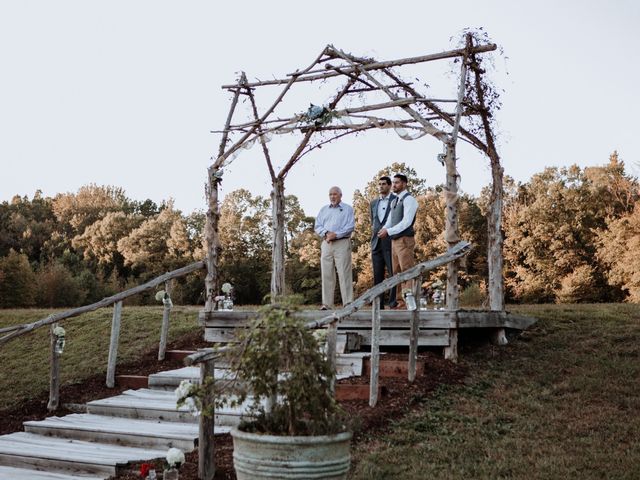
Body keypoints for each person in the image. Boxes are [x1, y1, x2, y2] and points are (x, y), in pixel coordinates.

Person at [377, 173, 418, 308]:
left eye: (397, 183)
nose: (394, 185)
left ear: (404, 184)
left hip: (405, 239)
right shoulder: (394, 201)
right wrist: (384, 229)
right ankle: (400, 302)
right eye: (393, 182)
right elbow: (390, 220)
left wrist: (388, 231)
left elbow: (406, 222)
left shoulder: (409, 200)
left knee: (407, 270)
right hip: (394, 241)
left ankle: (409, 302)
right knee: (396, 272)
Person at [314, 186, 355, 310]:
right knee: (326, 274)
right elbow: (317, 225)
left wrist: (336, 234)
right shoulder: (324, 210)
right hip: (326, 243)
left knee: (344, 273)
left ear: (340, 195)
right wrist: (326, 233)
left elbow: (350, 227)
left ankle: (348, 303)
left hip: (342, 242)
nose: (332, 196)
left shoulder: (347, 209)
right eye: (330, 194)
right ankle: (327, 304)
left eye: (335, 194)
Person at [370, 176, 397, 309]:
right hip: (376, 243)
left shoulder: (395, 200)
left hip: (390, 241)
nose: (381, 186)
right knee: (377, 276)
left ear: (390, 185)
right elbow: (373, 221)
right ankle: (378, 305)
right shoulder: (373, 203)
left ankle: (393, 303)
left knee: (393, 273)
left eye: (384, 184)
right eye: (379, 184)